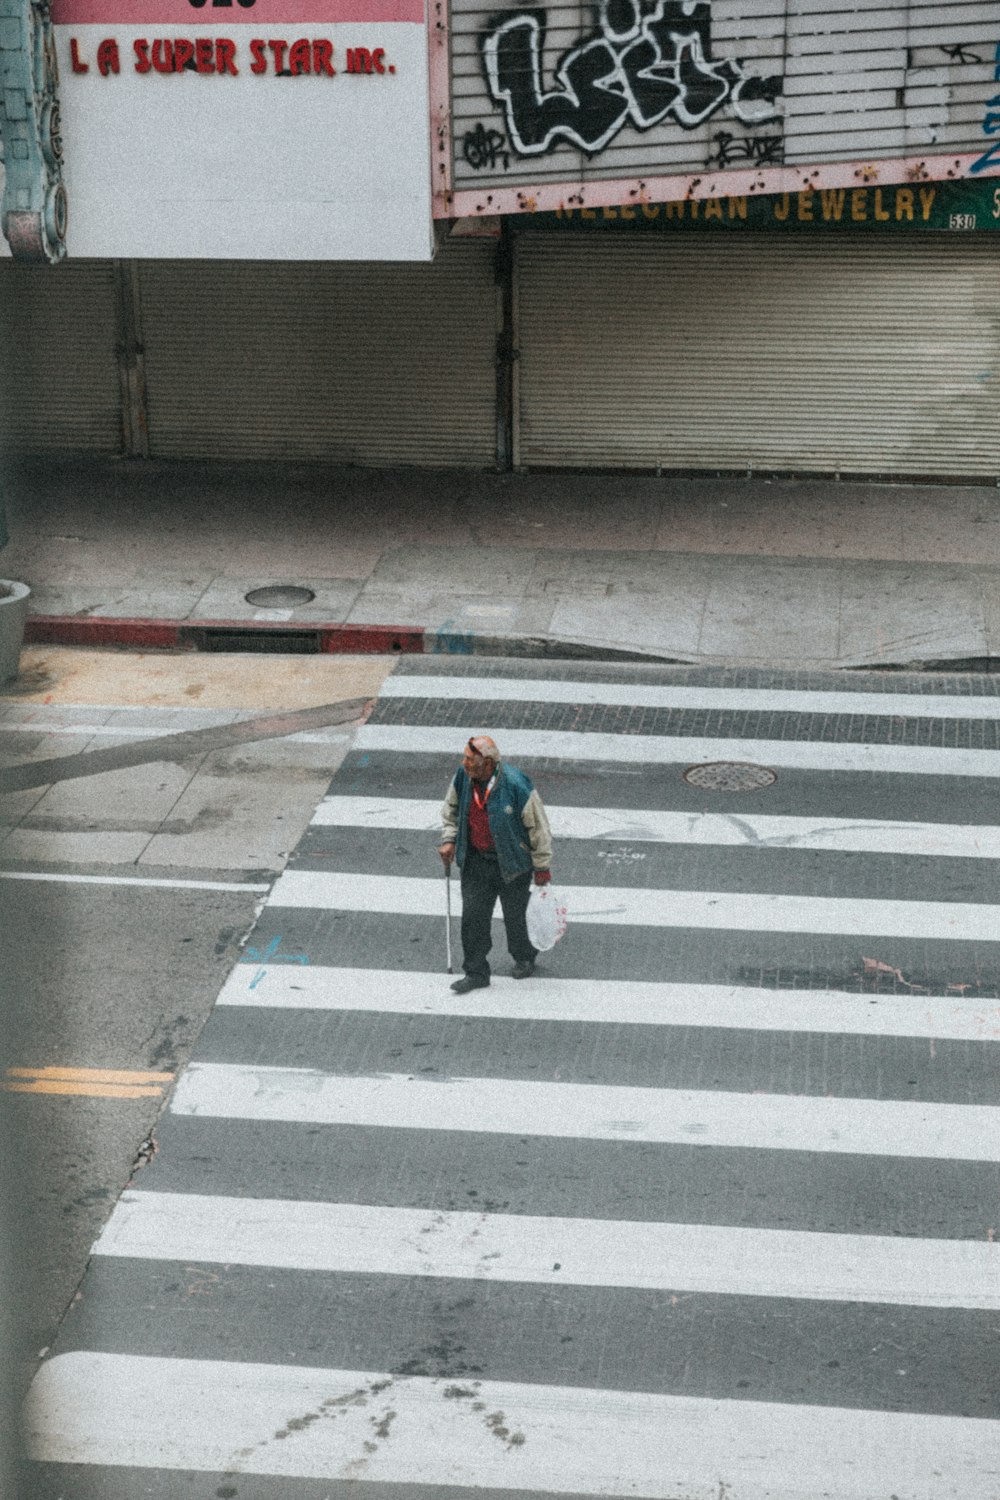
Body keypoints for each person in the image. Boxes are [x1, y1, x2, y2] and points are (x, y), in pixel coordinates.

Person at [438, 735, 553, 994]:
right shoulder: (462, 778)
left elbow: (539, 828)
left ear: (488, 763)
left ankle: (524, 956)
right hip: (476, 862)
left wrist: (542, 866)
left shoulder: (516, 785)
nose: (464, 763)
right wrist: (449, 839)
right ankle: (476, 971)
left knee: (516, 918)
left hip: (512, 863)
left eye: (470, 759)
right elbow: (451, 809)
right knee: (473, 918)